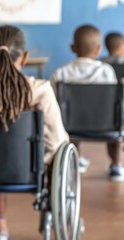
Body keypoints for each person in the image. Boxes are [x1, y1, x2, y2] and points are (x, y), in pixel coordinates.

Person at [0, 25, 69, 240]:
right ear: (25, 56)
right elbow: (56, 142)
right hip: (29, 169)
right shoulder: (40, 91)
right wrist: (38, 160)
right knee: (58, 153)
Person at [50, 24, 122, 180]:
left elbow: (52, 102)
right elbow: (111, 102)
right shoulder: (106, 71)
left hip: (71, 126)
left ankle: (75, 158)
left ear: (73, 47)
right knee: (115, 117)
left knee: (69, 117)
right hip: (104, 126)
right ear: (98, 49)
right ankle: (116, 165)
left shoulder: (60, 73)